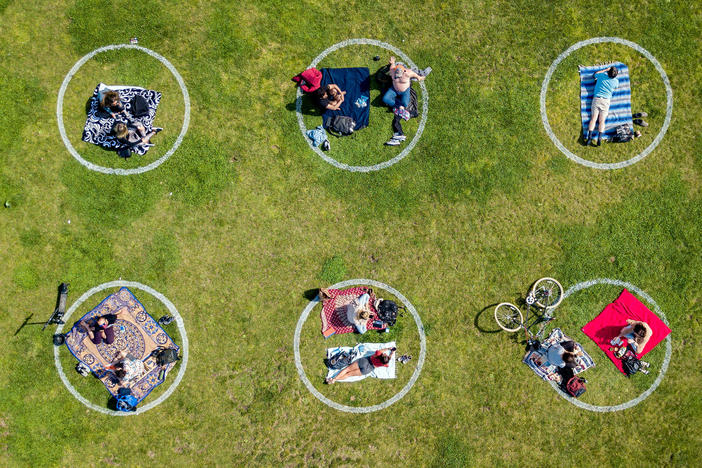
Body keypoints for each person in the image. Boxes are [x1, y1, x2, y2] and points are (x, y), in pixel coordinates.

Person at [383, 57, 425, 145]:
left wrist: (419, 78)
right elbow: (392, 66)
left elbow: (416, 76)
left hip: (405, 91)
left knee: (405, 103)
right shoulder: (392, 71)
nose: (396, 76)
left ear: (404, 71)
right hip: (394, 90)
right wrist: (392, 62)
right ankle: (399, 106)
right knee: (385, 99)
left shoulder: (408, 73)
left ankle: (400, 106)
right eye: (395, 75)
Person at [585, 66, 619, 147]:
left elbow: (594, 74)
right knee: (602, 121)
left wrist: (605, 70)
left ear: (608, 72)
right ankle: (599, 138)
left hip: (597, 99)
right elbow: (615, 87)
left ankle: (589, 137)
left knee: (593, 119)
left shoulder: (601, 76)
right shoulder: (616, 82)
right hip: (606, 101)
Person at [325, 347, 395, 384]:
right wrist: (391, 354)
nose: (385, 353)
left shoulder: (378, 353)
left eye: (385, 354)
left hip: (364, 361)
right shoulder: (385, 364)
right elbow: (388, 360)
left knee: (347, 369)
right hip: (368, 369)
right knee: (349, 374)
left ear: (383, 355)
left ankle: (334, 379)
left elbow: (381, 350)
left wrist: (389, 349)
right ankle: (334, 380)